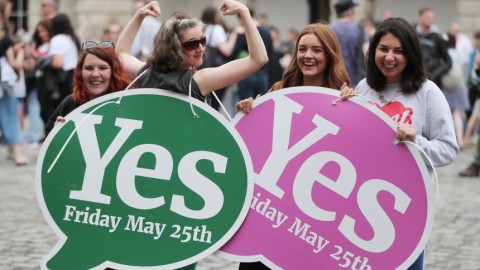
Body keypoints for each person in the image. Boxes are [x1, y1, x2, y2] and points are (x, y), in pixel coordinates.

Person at [234, 22, 353, 270]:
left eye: (317, 50)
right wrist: (250, 113)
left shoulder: (343, 99)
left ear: (330, 54)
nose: (308, 56)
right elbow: (260, 147)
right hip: (273, 211)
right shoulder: (279, 91)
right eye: (302, 49)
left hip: (314, 218)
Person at [345, 17, 458, 270]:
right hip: (359, 204)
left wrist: (417, 141)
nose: (389, 57)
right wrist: (345, 108)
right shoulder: (363, 88)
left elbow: (449, 149)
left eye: (399, 51)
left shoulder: (427, 92)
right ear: (372, 51)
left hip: (406, 210)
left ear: (411, 54)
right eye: (383, 49)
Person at [115, 0, 268, 104]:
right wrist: (244, 12)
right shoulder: (199, 81)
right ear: (174, 48)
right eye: (192, 44)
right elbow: (258, 59)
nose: (200, 48)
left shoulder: (145, 74)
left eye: (203, 41)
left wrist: (140, 15)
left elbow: (120, 54)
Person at [45, 42, 129, 135]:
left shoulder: (128, 103)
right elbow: (49, 142)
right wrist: (56, 134)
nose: (95, 74)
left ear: (113, 72)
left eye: (103, 68)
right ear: (80, 72)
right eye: (89, 68)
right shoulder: (70, 103)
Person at [37, 13, 81, 129]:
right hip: (73, 76)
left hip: (61, 80)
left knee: (56, 110)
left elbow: (57, 62)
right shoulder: (73, 38)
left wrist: (42, 61)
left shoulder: (57, 39)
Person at [330, 0, 369, 86]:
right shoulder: (360, 30)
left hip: (333, 81)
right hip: (357, 82)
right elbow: (367, 54)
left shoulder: (328, 30)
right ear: (350, 11)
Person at [416, 7, 452, 90]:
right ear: (420, 18)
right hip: (417, 81)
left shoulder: (437, 37)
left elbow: (448, 62)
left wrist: (435, 74)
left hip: (434, 84)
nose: (431, 20)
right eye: (428, 17)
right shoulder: (414, 36)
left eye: (432, 18)